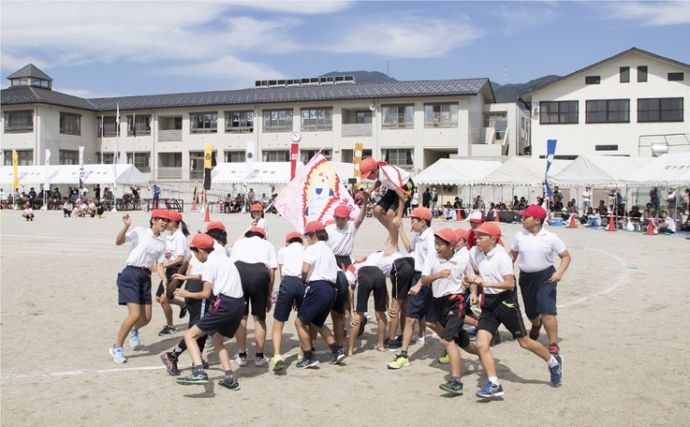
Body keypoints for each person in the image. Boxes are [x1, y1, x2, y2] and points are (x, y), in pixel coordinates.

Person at [466, 222, 563, 398]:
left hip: (505, 303)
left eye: (481, 237)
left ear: (493, 239)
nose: (476, 240)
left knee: (524, 342)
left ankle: (553, 362)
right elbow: (471, 269)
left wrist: (485, 283)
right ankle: (494, 383)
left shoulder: (502, 257)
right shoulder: (475, 253)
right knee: (481, 344)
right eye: (476, 236)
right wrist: (471, 283)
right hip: (488, 303)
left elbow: (509, 284)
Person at [175, 234, 245, 390]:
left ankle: (199, 371)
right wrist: (187, 276)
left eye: (194, 253)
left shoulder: (209, 264)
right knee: (217, 341)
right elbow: (209, 275)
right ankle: (229, 377)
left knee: (190, 336)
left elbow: (206, 294)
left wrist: (186, 294)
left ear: (200, 250)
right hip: (239, 304)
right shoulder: (223, 258)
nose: (195, 257)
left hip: (224, 304)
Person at [421, 228, 478, 396]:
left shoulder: (462, 259)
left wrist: (473, 292)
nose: (437, 247)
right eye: (435, 244)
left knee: (447, 340)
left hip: (456, 301)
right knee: (465, 344)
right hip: (439, 304)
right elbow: (424, 280)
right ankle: (483, 353)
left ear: (451, 246)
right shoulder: (432, 257)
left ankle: (455, 381)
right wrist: (438, 275)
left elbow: (471, 277)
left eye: (440, 244)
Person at [109, 210, 171, 364]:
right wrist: (126, 226)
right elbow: (118, 242)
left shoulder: (162, 243)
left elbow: (160, 265)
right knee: (135, 314)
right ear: (154, 220)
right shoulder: (140, 232)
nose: (164, 224)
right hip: (130, 274)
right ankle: (116, 347)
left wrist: (164, 280)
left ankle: (134, 330)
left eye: (166, 221)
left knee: (146, 318)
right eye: (162, 220)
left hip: (145, 277)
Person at [509, 205, 571, 356]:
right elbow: (512, 255)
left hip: (546, 277)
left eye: (526, 217)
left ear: (537, 220)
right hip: (526, 278)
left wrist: (560, 273)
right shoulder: (519, 236)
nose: (522, 219)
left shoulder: (550, 237)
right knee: (531, 313)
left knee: (547, 311)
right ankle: (536, 325)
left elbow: (566, 256)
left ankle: (553, 344)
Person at [387, 207, 440, 368]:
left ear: (422, 222)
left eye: (413, 220)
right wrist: (401, 230)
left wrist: (418, 284)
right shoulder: (420, 236)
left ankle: (403, 355)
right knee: (429, 321)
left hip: (424, 280)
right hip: (420, 279)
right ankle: (451, 343)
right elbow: (411, 249)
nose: (412, 223)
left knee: (413, 318)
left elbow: (430, 265)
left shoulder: (430, 239)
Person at [295, 221, 345, 369]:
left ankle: (308, 356)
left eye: (307, 236)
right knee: (317, 323)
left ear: (313, 235)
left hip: (317, 287)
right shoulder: (328, 250)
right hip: (331, 289)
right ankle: (336, 350)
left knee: (299, 322)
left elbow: (305, 270)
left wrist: (303, 280)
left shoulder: (312, 249)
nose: (306, 239)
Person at [229, 226, 277, 367]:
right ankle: (259, 356)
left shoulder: (239, 242)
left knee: (241, 317)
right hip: (259, 274)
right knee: (259, 318)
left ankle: (242, 355)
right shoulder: (267, 244)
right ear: (262, 236)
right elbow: (272, 272)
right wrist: (269, 294)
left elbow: (231, 266)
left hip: (240, 272)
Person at [345, 246, 402, 356]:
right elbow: (384, 288)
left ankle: (350, 350)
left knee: (358, 316)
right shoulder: (374, 262)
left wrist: (352, 311)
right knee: (381, 313)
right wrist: (388, 303)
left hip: (364, 275)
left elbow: (350, 290)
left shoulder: (352, 267)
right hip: (379, 275)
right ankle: (381, 345)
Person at [326, 204, 367, 351]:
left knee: (349, 293)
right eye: (337, 218)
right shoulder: (329, 229)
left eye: (342, 218)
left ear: (346, 218)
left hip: (346, 262)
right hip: (332, 261)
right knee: (334, 297)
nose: (339, 221)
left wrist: (365, 203)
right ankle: (341, 324)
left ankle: (357, 317)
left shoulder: (351, 227)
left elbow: (361, 218)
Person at [270, 231, 306, 372]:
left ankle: (277, 355)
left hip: (288, 282)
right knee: (303, 321)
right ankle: (303, 352)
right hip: (302, 283)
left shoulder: (283, 251)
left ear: (287, 241)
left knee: (279, 322)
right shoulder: (306, 250)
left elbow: (282, 274)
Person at [359, 157, 414, 249]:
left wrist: (399, 216)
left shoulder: (389, 175)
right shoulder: (379, 171)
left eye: (368, 176)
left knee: (390, 214)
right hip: (394, 188)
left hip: (405, 186)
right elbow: (379, 181)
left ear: (374, 171)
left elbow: (402, 197)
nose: (367, 178)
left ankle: (394, 245)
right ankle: (393, 231)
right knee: (376, 210)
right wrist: (368, 192)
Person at [155, 211, 189, 337]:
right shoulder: (169, 236)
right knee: (159, 298)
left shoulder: (179, 237)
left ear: (174, 222)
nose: (165, 223)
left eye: (167, 221)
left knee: (164, 299)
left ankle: (170, 326)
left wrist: (163, 265)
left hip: (177, 271)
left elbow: (180, 259)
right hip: (170, 269)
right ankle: (183, 304)